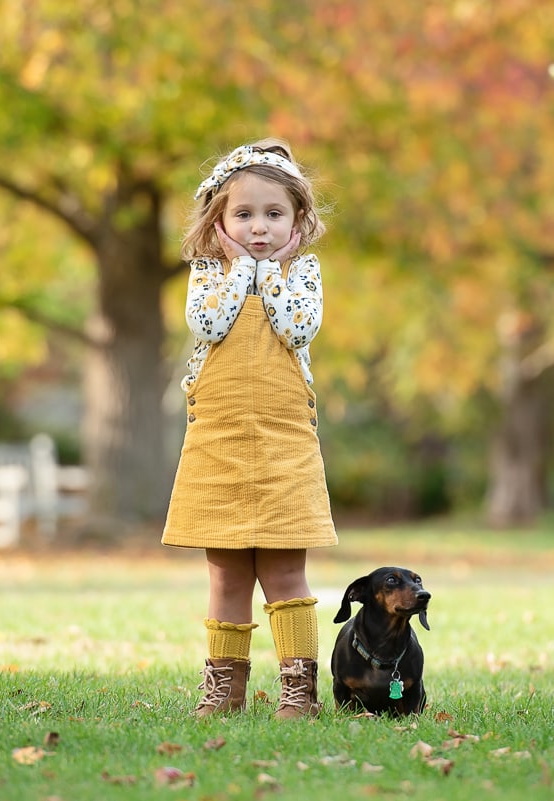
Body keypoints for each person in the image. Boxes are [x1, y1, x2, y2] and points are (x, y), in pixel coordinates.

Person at [162, 139, 337, 720]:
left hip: (285, 441)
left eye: (273, 214)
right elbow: (208, 325)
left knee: (286, 569)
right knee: (226, 571)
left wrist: (270, 271)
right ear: (218, 221)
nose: (259, 227)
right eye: (243, 214)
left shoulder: (303, 274)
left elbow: (295, 329)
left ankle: (298, 690)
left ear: (297, 220)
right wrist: (240, 270)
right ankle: (225, 689)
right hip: (220, 439)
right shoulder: (209, 275)